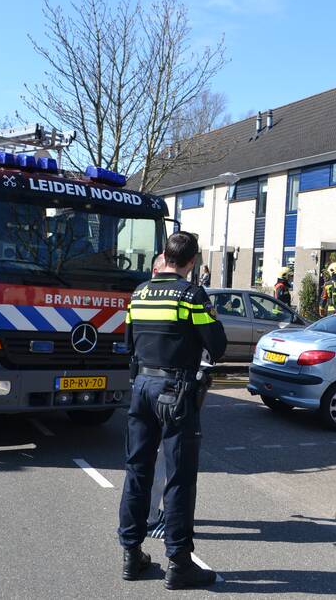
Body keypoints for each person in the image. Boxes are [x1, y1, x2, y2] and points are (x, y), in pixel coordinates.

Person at [118, 232, 227, 589]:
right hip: (176, 394)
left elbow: (127, 342)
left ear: (164, 256)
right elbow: (218, 345)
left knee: (137, 470)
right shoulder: (191, 295)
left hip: (141, 389)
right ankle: (179, 563)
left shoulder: (139, 293)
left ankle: (131, 556)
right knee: (179, 478)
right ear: (192, 262)